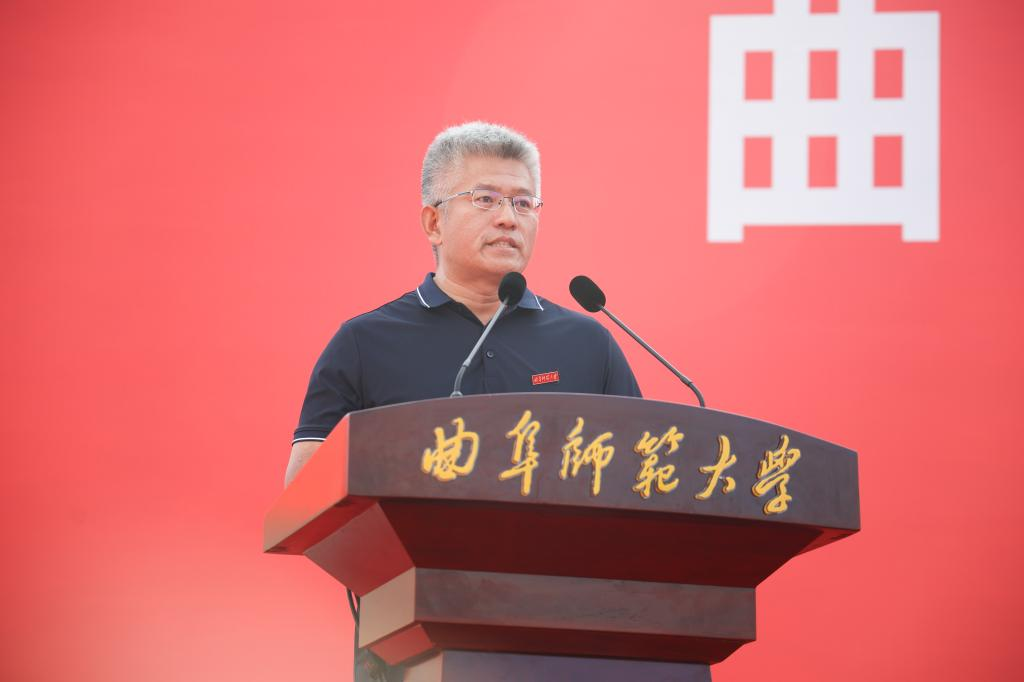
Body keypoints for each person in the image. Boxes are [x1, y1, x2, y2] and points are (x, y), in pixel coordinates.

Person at [285, 121, 641, 483]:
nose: (508, 219)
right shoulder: (364, 343)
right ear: (434, 223)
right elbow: (305, 492)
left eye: (523, 203)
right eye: (485, 199)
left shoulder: (588, 343)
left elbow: (640, 472)